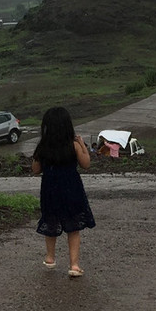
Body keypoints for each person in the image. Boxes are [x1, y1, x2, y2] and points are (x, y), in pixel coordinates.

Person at [31, 106, 95, 278]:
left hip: (50, 190)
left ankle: (50, 258)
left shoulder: (43, 147)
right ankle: (74, 265)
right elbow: (86, 164)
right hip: (71, 188)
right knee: (73, 228)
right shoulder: (73, 145)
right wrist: (81, 143)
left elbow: (35, 169)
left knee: (50, 222)